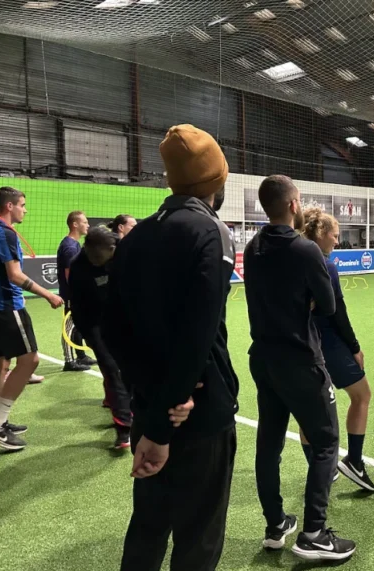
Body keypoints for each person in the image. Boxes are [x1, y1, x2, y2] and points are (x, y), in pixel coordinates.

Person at [102, 125, 239, 571]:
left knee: (147, 527)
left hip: (151, 403)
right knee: (198, 536)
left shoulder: (135, 237)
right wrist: (172, 408)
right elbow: (197, 334)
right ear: (218, 179)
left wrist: (151, 403)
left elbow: (113, 327)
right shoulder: (210, 232)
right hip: (195, 411)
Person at [244, 175, 356, 561]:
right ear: (293, 205)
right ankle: (313, 533)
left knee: (269, 444)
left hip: (263, 358)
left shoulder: (252, 246)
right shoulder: (306, 250)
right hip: (300, 360)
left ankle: (276, 525)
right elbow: (327, 306)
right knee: (326, 442)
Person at [0, 187, 64, 451]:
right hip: (6, 307)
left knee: (0, 362)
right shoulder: (4, 233)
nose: (25, 209)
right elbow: (14, 275)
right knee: (30, 361)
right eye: (22, 205)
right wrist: (47, 293)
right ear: (9, 206)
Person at [301, 207, 374, 492]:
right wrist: (354, 347)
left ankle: (320, 470)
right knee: (362, 395)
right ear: (321, 234)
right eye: (335, 235)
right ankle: (354, 461)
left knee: (310, 411)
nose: (337, 241)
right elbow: (337, 312)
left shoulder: (293, 259)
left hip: (302, 345)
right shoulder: (325, 265)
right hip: (328, 343)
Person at [69, 227, 133, 449]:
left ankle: (131, 407)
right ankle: (124, 428)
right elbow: (79, 308)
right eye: (91, 254)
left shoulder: (124, 255)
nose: (96, 259)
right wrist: (89, 335)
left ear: (112, 249)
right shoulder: (78, 267)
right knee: (111, 368)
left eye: (101, 255)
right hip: (93, 321)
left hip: (121, 316)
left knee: (130, 366)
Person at [57, 210, 96, 372]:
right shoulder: (70, 247)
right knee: (70, 326)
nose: (88, 225)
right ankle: (69, 360)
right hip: (72, 296)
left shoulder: (74, 245)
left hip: (76, 295)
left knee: (78, 325)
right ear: (75, 224)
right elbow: (69, 276)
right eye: (85, 222)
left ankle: (81, 355)